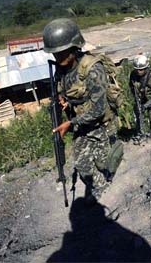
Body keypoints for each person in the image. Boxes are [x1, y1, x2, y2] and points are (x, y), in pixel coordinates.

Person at [43, 18, 111, 205]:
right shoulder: (62, 70)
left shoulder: (93, 69)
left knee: (103, 163)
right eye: (55, 53)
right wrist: (64, 100)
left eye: (62, 52)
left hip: (99, 124)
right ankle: (97, 185)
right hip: (80, 123)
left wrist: (70, 123)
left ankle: (102, 185)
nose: (58, 57)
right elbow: (64, 90)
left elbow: (98, 108)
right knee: (82, 165)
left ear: (74, 48)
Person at [129, 54, 151, 144]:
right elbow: (132, 87)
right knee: (138, 117)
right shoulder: (133, 75)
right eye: (137, 69)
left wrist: (146, 105)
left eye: (141, 69)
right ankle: (141, 134)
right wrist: (138, 101)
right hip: (140, 99)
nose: (139, 71)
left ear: (146, 68)